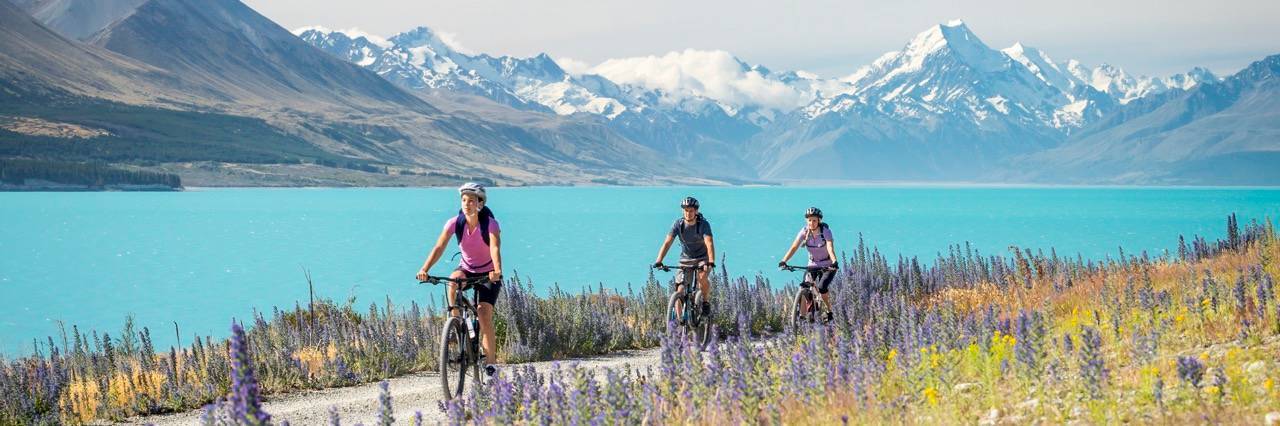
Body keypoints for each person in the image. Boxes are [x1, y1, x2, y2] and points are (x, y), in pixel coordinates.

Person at [416, 182, 503, 377]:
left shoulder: (490, 224)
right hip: (467, 268)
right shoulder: (455, 223)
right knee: (453, 280)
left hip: (488, 272)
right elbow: (439, 247)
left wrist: (497, 270)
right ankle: (455, 324)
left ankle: (490, 366)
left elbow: (495, 247)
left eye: (471, 201)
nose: (466, 204)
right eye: (464, 200)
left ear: (480, 203)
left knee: (483, 313)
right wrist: (425, 269)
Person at [653, 196, 716, 319]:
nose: (688, 213)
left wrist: (711, 261)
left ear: (696, 211)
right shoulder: (678, 224)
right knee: (679, 290)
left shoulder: (703, 225)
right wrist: (659, 260)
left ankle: (705, 302)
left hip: (702, 258)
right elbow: (667, 243)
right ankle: (681, 322)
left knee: (702, 277)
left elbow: (709, 243)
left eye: (691, 210)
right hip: (685, 259)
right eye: (686, 210)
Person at [779, 207, 837, 322]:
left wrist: (834, 261)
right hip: (813, 264)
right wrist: (784, 260)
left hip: (828, 265)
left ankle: (830, 311)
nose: (811, 223)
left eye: (814, 220)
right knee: (804, 287)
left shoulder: (825, 232)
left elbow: (830, 247)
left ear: (819, 221)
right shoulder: (804, 231)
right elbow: (794, 247)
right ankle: (802, 316)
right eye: (809, 220)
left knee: (821, 288)